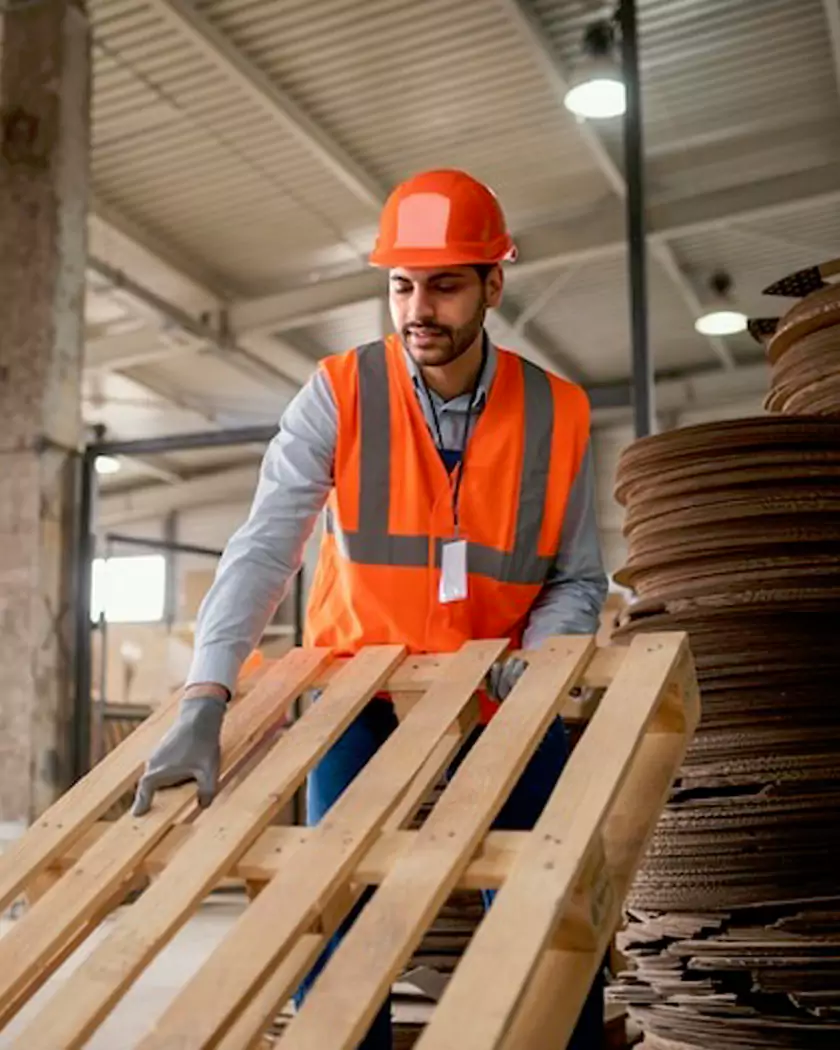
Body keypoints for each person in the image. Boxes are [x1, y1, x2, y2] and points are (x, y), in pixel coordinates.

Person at [132, 169, 609, 1049]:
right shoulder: (339, 392)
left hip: (503, 693)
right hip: (360, 698)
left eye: (444, 284)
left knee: (549, 914)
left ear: (493, 284)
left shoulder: (557, 411)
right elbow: (264, 544)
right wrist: (205, 694)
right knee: (335, 927)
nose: (417, 308)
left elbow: (577, 579)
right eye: (401, 285)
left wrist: (542, 664)